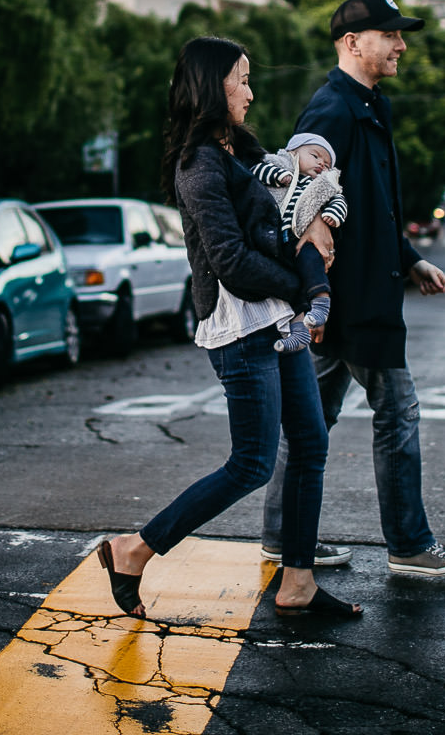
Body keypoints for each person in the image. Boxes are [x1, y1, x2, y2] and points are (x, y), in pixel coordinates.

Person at [97, 37, 361, 620]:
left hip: (275, 317)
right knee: (251, 463)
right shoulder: (199, 164)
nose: (250, 91)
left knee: (310, 443)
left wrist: (315, 216)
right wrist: (304, 287)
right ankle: (135, 549)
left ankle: (298, 582)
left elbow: (285, 204)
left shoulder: (241, 148)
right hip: (240, 328)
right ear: (211, 87)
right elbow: (232, 263)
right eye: (241, 79)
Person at [260, 0, 445, 577]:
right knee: (398, 412)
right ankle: (409, 544)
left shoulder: (368, 104)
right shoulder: (332, 110)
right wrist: (316, 273)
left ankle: (282, 535)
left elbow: (371, 206)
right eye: (391, 35)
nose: (402, 45)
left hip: (351, 296)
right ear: (353, 43)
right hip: (353, 300)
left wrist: (411, 259)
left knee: (309, 422)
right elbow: (298, 188)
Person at [251, 133, 347, 352]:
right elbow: (255, 171)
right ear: (293, 152)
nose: (321, 164)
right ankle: (299, 331)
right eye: (315, 156)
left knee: (312, 262)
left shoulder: (321, 184)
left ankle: (321, 302)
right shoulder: (276, 164)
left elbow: (339, 199)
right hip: (275, 242)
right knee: (288, 286)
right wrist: (279, 176)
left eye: (327, 164)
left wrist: (332, 215)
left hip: (301, 237)